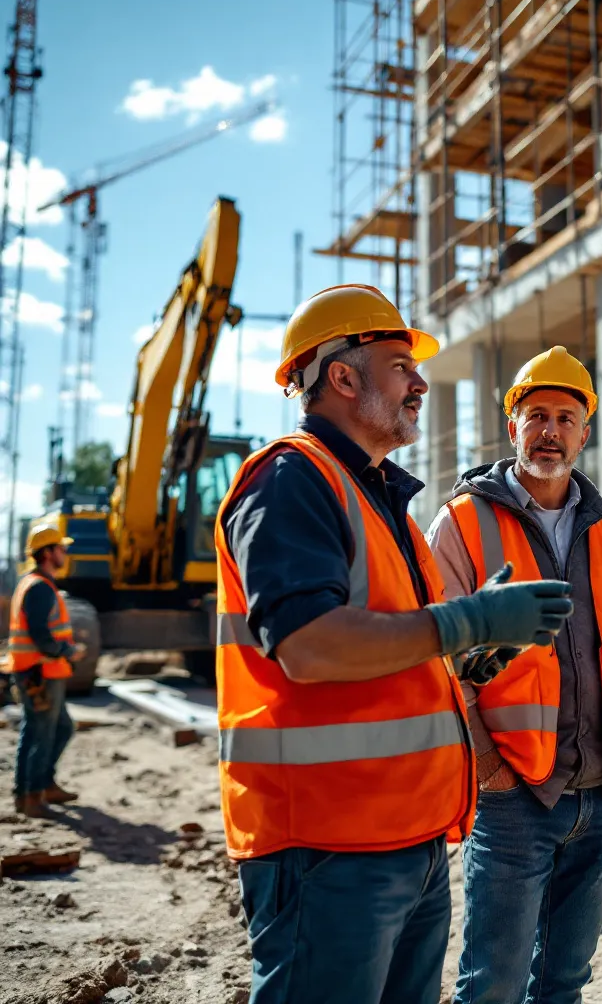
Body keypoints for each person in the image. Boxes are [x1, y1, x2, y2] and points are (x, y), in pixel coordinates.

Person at [214, 285, 574, 1004]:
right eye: (401, 365)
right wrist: (469, 622)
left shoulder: (382, 501)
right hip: (327, 847)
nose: (419, 383)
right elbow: (309, 647)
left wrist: (475, 653)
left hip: (410, 841)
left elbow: (396, 648)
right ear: (342, 377)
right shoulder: (291, 479)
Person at [427, 345, 602, 1003]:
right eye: (536, 415)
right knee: (493, 984)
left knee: (564, 981)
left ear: (584, 434)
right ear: (513, 428)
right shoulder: (463, 522)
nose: (549, 431)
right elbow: (435, 657)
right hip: (513, 795)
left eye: (565, 417)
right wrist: (485, 765)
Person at [2, 525, 84, 818]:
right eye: (61, 548)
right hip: (40, 672)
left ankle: (42, 785)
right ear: (48, 553)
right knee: (40, 732)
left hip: (40, 671)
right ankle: (30, 796)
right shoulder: (38, 587)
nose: (64, 552)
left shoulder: (37, 584)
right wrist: (68, 651)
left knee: (60, 728)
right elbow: (42, 636)